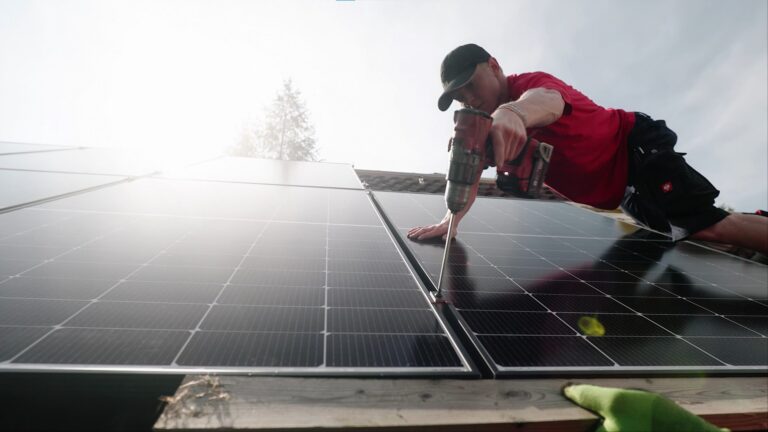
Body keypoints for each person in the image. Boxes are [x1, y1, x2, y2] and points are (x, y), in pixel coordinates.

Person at [407, 43, 768, 255]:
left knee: (708, 229)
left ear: (494, 66)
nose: (468, 99)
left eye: (471, 86)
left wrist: (513, 113)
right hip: (620, 195)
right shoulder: (483, 126)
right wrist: (450, 221)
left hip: (636, 149)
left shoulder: (530, 85)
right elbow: (468, 175)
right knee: (677, 235)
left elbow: (548, 101)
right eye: (459, 97)